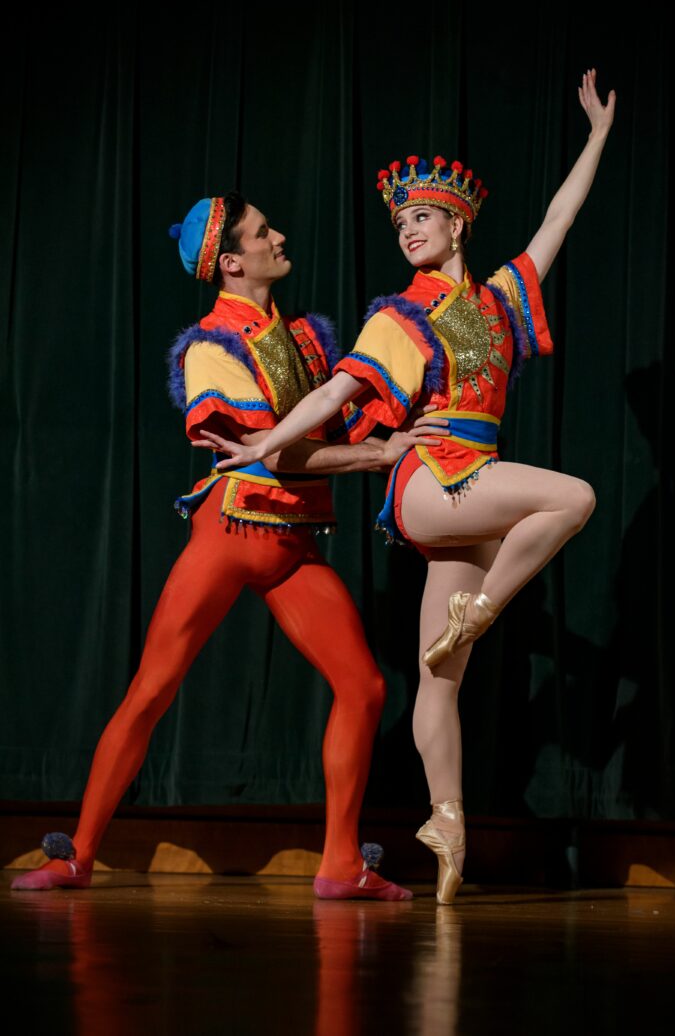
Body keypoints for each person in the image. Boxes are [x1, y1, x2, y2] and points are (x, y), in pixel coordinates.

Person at [195, 70, 616, 904]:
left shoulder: (497, 300)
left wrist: (598, 134)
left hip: (472, 496)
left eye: (421, 218)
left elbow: (557, 219)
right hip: (435, 481)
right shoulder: (401, 314)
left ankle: (447, 825)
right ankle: (484, 608)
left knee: (441, 676)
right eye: (399, 223)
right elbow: (331, 398)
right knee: (573, 498)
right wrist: (263, 446)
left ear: (457, 223)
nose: (408, 232)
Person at [11, 191, 444, 900]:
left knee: (363, 687)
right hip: (233, 534)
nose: (280, 237)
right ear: (233, 261)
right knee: (152, 690)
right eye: (263, 232)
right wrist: (379, 456)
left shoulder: (304, 339)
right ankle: (79, 854)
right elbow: (271, 456)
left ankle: (339, 862)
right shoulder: (211, 348)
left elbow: (338, 430)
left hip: (292, 549)